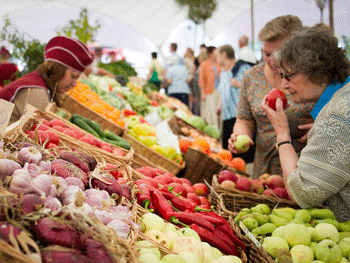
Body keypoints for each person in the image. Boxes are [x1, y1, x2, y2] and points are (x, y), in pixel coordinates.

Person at [261, 26, 350, 221]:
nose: (283, 85)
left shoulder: (336, 114)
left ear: (315, 71)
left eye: (288, 75)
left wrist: (282, 134)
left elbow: (301, 193)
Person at [228, 15, 315, 178]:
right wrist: (241, 135)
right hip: (264, 174)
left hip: (306, 173)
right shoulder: (252, 76)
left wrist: (322, 127)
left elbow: (338, 100)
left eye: (277, 55)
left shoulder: (312, 76)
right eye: (265, 53)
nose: (270, 61)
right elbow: (244, 119)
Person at [0, 36, 93, 125]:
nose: (74, 84)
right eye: (73, 76)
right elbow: (37, 134)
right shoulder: (37, 93)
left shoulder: (36, 80)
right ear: (58, 70)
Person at [199, 46, 221, 129]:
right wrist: (202, 93)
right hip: (209, 91)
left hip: (218, 91)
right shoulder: (204, 64)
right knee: (211, 113)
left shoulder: (218, 63)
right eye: (215, 52)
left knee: (218, 112)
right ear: (210, 53)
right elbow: (201, 80)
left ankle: (219, 131)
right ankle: (212, 132)